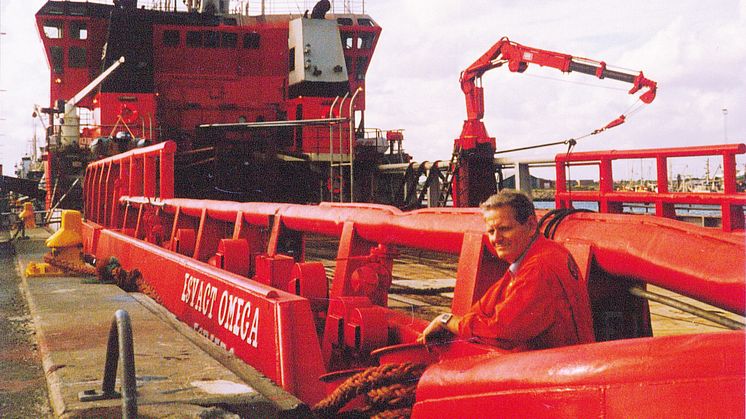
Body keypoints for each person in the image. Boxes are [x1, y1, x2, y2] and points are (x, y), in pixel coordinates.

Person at [416, 189, 595, 351]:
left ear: (532, 226)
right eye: (491, 231)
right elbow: (487, 304)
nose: (496, 239)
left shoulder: (539, 268)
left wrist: (446, 320)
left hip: (558, 374)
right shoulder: (546, 253)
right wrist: (459, 321)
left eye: (504, 229)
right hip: (566, 362)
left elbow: (500, 332)